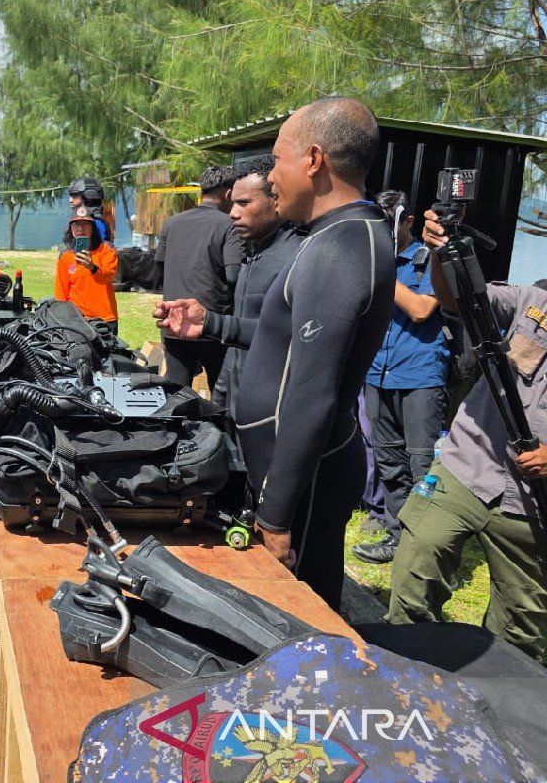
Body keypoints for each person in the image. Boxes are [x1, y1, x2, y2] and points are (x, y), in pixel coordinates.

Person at [155, 97, 395, 610]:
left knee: (303, 619)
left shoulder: (341, 246)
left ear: (313, 160)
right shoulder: (333, 236)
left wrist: (278, 513)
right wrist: (211, 324)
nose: (273, 177)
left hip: (304, 480)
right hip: (288, 467)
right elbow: (284, 338)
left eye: (279, 161)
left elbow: (312, 393)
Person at [386, 208, 547, 658]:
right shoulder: (532, 302)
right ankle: (407, 670)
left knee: (519, 627)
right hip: (465, 466)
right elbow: (458, 300)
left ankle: (497, 701)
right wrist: (440, 253)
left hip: (530, 503)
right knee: (416, 571)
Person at [160, 158, 303, 422]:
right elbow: (235, 354)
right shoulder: (253, 255)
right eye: (234, 202)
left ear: (276, 200)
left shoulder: (297, 257)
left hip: (273, 415)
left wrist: (214, 323)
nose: (234, 213)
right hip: (236, 407)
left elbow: (290, 336)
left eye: (244, 203)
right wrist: (221, 403)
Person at [352, 190, 449, 564]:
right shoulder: (374, 258)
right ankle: (396, 538)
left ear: (407, 221)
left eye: (390, 223)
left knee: (422, 464)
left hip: (420, 374)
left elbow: (422, 309)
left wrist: (378, 273)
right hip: (377, 373)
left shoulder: (427, 260)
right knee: (388, 460)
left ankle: (428, 550)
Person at [155, 165, 244, 387]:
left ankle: (173, 423)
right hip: (211, 324)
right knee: (220, 394)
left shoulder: (172, 222)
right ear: (228, 194)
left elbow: (157, 270)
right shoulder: (229, 225)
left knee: (175, 391)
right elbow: (234, 275)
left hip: (174, 322)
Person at [54, 205, 119, 332]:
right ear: (70, 228)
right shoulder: (65, 256)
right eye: (76, 224)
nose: (81, 228)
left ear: (93, 227)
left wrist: (92, 267)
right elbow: (61, 295)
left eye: (85, 224)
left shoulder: (106, 250)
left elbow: (108, 277)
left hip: (105, 320)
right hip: (77, 321)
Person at [68, 177, 110, 242]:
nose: (70, 200)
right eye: (70, 196)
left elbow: (96, 249)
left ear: (89, 197)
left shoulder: (97, 224)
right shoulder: (94, 221)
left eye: (74, 196)